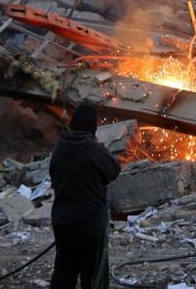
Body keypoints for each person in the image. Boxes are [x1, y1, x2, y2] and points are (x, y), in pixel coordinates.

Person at [49, 103, 121, 289]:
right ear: (93, 127)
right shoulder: (94, 150)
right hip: (90, 225)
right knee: (93, 277)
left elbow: (54, 176)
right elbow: (114, 170)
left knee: (64, 271)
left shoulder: (59, 148)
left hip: (63, 221)